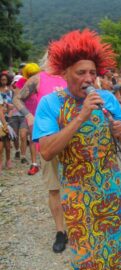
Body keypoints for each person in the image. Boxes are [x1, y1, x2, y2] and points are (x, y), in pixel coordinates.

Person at [32, 29, 121, 270]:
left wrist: (120, 133)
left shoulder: (109, 99)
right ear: (65, 73)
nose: (88, 78)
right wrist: (80, 116)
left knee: (116, 255)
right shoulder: (50, 104)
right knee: (87, 261)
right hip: (79, 196)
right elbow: (47, 151)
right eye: (80, 73)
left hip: (111, 191)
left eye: (92, 72)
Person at [12, 61, 69, 253]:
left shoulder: (71, 75)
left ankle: (80, 224)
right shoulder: (38, 79)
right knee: (54, 187)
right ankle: (60, 231)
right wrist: (28, 116)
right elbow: (17, 99)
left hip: (72, 139)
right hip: (47, 139)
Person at [14, 62, 42, 175]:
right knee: (28, 136)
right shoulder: (22, 82)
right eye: (30, 74)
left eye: (34, 73)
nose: (33, 76)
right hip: (27, 112)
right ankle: (34, 163)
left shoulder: (40, 81)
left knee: (36, 138)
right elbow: (17, 97)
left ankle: (38, 162)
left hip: (38, 110)